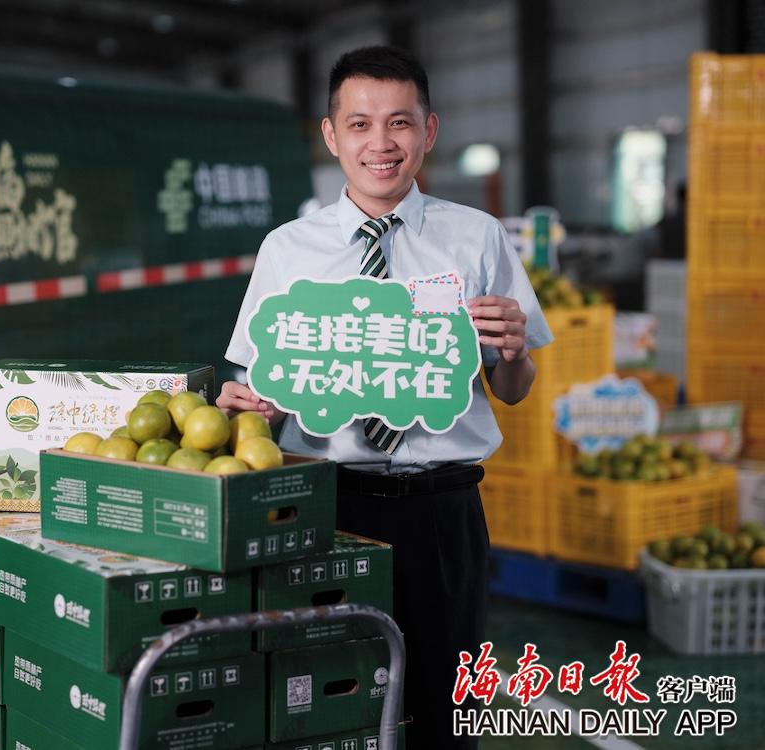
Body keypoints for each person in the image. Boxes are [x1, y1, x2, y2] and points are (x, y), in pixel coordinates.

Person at [217, 45, 552, 749]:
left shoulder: (477, 238)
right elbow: (258, 389)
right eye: (360, 124)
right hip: (324, 506)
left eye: (400, 122)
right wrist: (248, 407)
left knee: (444, 712)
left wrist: (517, 352)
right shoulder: (288, 249)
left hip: (442, 510)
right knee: (327, 702)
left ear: (429, 130)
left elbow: (513, 390)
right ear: (331, 135)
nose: (382, 143)